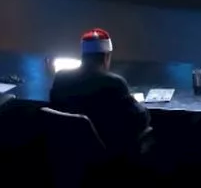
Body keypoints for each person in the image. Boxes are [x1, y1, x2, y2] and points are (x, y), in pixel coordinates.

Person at [49, 29, 151, 157]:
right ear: (106, 57)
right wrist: (134, 102)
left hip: (66, 153)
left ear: (83, 55)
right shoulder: (115, 83)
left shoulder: (61, 78)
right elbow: (140, 119)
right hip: (105, 157)